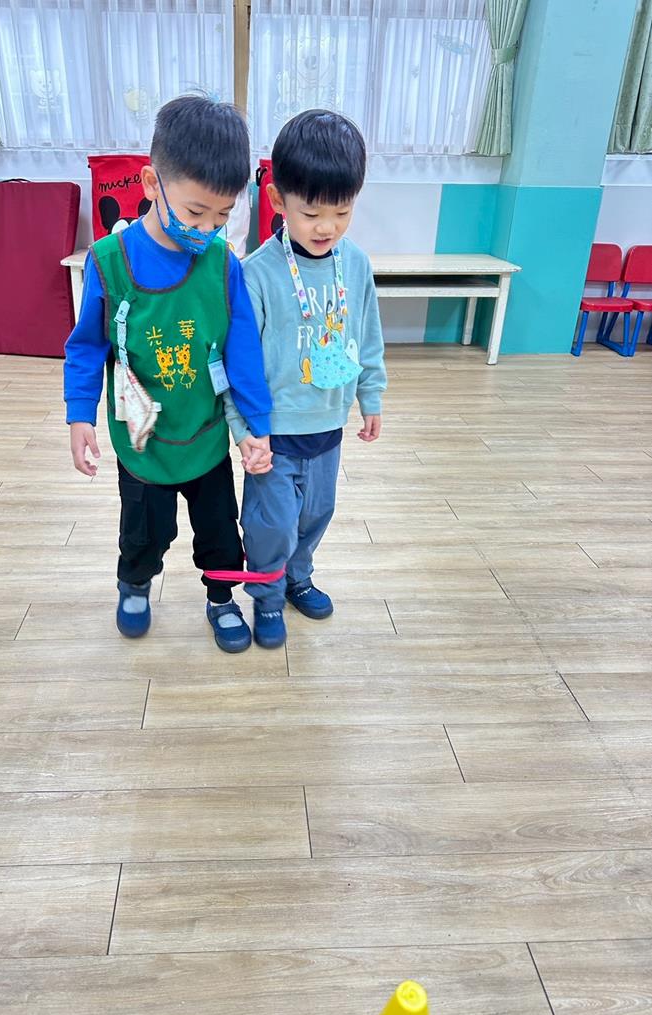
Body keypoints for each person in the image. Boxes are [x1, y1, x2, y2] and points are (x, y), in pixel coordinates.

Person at [64, 95, 273, 654]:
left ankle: (222, 598)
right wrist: (79, 415)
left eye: (223, 216)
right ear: (152, 183)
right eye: (196, 212)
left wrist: (257, 425)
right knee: (143, 533)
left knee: (221, 534)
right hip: (142, 442)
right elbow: (86, 348)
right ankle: (134, 585)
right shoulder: (109, 261)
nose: (207, 229)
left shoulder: (223, 265)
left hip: (205, 436)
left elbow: (243, 350)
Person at [226, 109, 387, 648]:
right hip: (273, 434)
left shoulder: (355, 264)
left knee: (317, 513)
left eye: (342, 212)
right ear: (277, 200)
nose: (326, 228)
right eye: (312, 212)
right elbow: (238, 364)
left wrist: (371, 395)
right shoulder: (256, 273)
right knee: (270, 522)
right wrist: (244, 431)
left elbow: (367, 334)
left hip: (328, 428)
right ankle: (267, 597)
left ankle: (298, 578)